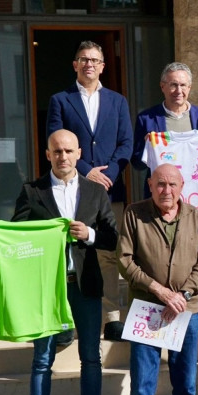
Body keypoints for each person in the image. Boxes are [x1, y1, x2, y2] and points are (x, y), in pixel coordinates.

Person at [0, 129, 116, 395]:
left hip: (85, 285)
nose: (63, 156)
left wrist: (89, 235)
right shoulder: (33, 190)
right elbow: (16, 233)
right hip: (45, 288)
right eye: (57, 151)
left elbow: (112, 237)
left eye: (68, 151)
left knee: (91, 358)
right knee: (42, 359)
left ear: (79, 153)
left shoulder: (95, 192)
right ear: (47, 155)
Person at [47, 40, 132, 342]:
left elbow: (126, 144)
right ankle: (66, 317)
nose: (89, 65)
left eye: (95, 60)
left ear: (103, 66)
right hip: (73, 186)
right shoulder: (61, 100)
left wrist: (107, 173)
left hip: (110, 188)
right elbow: (54, 140)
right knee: (70, 250)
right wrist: (86, 171)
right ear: (75, 65)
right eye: (83, 59)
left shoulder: (118, 101)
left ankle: (111, 317)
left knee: (108, 253)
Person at [116, 164, 198, 395]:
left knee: (186, 386)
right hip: (147, 309)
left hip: (185, 311)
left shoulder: (194, 217)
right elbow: (125, 261)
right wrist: (158, 290)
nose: (166, 190)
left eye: (172, 185)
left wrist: (184, 294)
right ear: (150, 185)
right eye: (160, 184)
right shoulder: (134, 214)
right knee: (143, 387)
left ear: (182, 187)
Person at [132, 61, 198, 339]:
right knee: (161, 258)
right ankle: (161, 308)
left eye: (183, 84)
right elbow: (137, 161)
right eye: (172, 84)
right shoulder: (148, 119)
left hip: (196, 205)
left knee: (196, 258)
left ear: (190, 87)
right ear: (163, 86)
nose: (178, 90)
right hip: (162, 203)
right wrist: (149, 142)